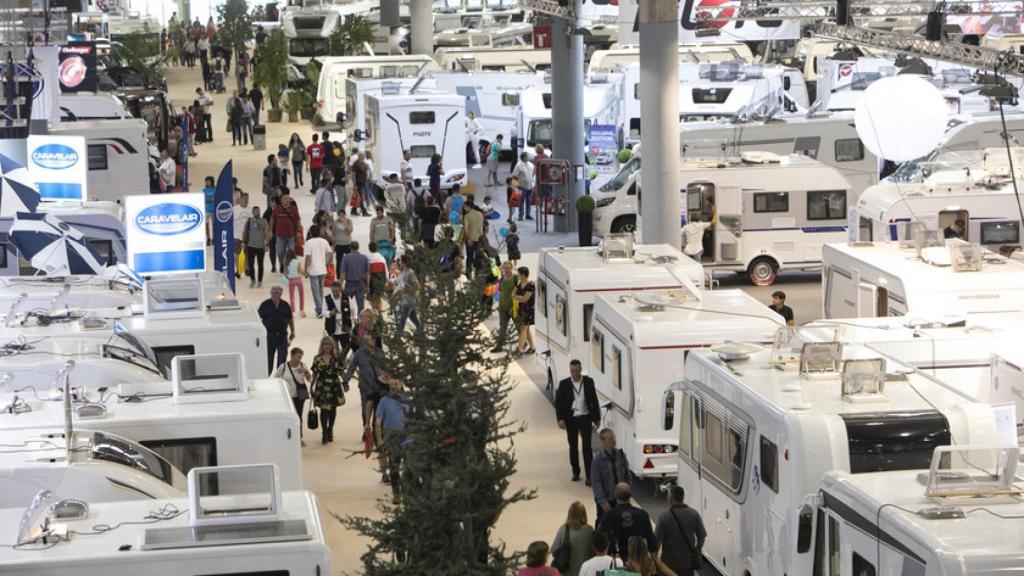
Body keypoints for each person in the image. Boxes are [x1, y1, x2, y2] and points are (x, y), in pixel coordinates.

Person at [556, 359, 601, 484]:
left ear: (581, 370)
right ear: (570, 371)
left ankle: (589, 476)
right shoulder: (564, 384)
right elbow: (558, 403)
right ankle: (576, 471)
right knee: (573, 446)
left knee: (587, 447)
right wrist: (560, 419)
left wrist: (597, 417)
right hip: (571, 420)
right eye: (572, 371)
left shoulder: (588, 382)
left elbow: (594, 400)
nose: (575, 373)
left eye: (577, 371)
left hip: (585, 418)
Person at [655, 485, 706, 576]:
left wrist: (655, 559)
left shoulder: (664, 517)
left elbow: (657, 541)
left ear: (670, 498)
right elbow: (701, 536)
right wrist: (697, 549)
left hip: (669, 563)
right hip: (688, 563)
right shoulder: (694, 514)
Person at [597, 483, 656, 559]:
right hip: (638, 558)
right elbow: (651, 540)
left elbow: (600, 536)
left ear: (616, 496)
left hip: (617, 559)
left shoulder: (609, 515)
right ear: (630, 496)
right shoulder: (643, 514)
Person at [375, 375, 408, 493]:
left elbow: (416, 417)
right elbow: (378, 422)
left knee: (409, 466)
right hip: (392, 441)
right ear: (388, 383)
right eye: (392, 381)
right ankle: (396, 493)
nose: (394, 382)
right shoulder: (383, 401)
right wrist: (379, 440)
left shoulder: (409, 399)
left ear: (402, 383)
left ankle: (406, 489)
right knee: (394, 467)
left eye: (397, 380)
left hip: (408, 439)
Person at [343, 335, 384, 429]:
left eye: (367, 340)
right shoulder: (358, 353)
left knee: (378, 409)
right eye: (364, 340)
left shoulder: (380, 353)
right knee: (365, 410)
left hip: (379, 386)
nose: (365, 342)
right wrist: (346, 381)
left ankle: (375, 430)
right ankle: (366, 428)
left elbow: (385, 368)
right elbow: (351, 368)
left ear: (374, 341)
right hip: (365, 386)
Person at [273, 347, 311, 445]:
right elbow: (275, 380)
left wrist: (306, 372)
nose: (299, 359)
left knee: (299, 416)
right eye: (297, 357)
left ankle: (299, 437)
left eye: (300, 357)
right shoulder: (283, 367)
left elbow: (310, 379)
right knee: (288, 417)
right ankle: (287, 436)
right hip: (287, 396)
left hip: (299, 396)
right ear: (292, 355)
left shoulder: (303, 365)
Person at [311, 336, 345, 444]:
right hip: (322, 386)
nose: (327, 347)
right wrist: (311, 386)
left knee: (333, 410)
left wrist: (346, 383)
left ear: (332, 346)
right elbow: (315, 373)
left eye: (329, 345)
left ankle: (330, 429)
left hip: (334, 385)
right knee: (324, 410)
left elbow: (341, 372)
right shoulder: (317, 358)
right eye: (325, 344)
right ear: (322, 346)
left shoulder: (337, 358)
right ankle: (324, 432)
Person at [591, 429, 630, 524]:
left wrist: (628, 493)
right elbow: (596, 484)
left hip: (621, 500)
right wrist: (603, 503)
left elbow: (627, 475)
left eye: (614, 438)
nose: (613, 440)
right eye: (610, 439)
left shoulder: (621, 455)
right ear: (603, 441)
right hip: (607, 501)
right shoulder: (597, 461)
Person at [551, 501, 595, 576]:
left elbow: (554, 550)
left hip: (567, 572)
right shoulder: (590, 530)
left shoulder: (563, 529)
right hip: (585, 572)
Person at [258, 285, 295, 373]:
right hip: (269, 336)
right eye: (272, 293)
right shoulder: (265, 304)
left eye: (276, 293)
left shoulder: (285, 305)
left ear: (280, 294)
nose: (274, 295)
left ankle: (280, 376)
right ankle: (267, 375)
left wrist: (293, 331)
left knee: (282, 359)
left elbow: (290, 318)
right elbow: (258, 318)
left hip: (282, 336)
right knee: (268, 358)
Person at [490, 262, 518, 353]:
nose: (506, 270)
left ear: (512, 268)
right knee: (502, 327)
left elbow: (519, 292)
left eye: (508, 268)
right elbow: (501, 291)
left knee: (519, 327)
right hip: (503, 307)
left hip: (513, 308)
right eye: (505, 268)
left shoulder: (515, 279)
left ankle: (523, 344)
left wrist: (514, 307)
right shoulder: (502, 279)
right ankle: (499, 346)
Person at [338, 240, 370, 314]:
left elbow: (342, 273)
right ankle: (360, 323)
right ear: (358, 247)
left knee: (345, 305)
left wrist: (340, 284)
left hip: (349, 284)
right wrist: (367, 286)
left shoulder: (346, 258)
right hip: (360, 284)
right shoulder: (364, 258)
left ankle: (347, 321)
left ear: (350, 247)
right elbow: (367, 273)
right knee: (361, 307)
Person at [391, 254, 420, 332]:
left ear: (404, 263)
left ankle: (397, 337)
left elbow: (417, 286)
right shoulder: (404, 272)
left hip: (409, 300)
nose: (399, 263)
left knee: (402, 319)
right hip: (405, 299)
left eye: (400, 261)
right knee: (413, 318)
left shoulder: (410, 273)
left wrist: (406, 290)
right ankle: (422, 332)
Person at [273, 192, 301, 268]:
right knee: (280, 252)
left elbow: (298, 220)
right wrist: (270, 231)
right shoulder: (277, 209)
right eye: (285, 199)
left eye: (288, 198)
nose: (287, 200)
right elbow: (272, 220)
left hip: (291, 235)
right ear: (281, 200)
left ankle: (290, 266)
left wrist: (298, 231)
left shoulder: (293, 208)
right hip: (280, 235)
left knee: (291, 252)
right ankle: (282, 263)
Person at [244, 205, 268, 287]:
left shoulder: (264, 221)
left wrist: (266, 244)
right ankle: (253, 280)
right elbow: (245, 231)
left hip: (260, 246)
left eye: (258, 211)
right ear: (252, 212)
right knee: (251, 264)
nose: (257, 212)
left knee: (260, 264)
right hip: (251, 246)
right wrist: (245, 242)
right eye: (255, 211)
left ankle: (260, 281)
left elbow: (266, 233)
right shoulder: (250, 220)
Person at [513, 266, 535, 355]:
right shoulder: (519, 283)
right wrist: (519, 298)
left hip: (529, 310)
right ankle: (532, 347)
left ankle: (520, 349)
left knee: (523, 328)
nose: (517, 275)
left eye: (518, 274)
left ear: (523, 275)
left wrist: (517, 297)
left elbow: (526, 299)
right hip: (521, 309)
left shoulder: (531, 284)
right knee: (526, 329)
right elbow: (512, 294)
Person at [324, 282, 352, 351]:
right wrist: (330, 313)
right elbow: (323, 312)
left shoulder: (346, 297)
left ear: (340, 290)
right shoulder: (327, 299)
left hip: (344, 328)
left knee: (346, 348)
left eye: (337, 291)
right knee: (334, 349)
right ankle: (337, 360)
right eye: (333, 291)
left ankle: (342, 360)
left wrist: (354, 318)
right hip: (332, 328)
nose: (335, 293)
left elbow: (353, 308)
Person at [283, 249, 306, 317]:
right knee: (301, 295)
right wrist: (305, 275)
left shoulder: (286, 262)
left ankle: (292, 310)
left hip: (291, 280)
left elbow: (285, 273)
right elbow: (300, 270)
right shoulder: (297, 261)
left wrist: (287, 278)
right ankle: (301, 310)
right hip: (298, 279)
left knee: (292, 296)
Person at [233, 193, 251, 278]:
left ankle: (247, 268)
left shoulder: (250, 210)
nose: (246, 200)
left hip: (248, 236)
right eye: (244, 198)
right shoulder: (234, 209)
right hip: (236, 235)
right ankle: (238, 270)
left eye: (247, 199)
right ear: (240, 199)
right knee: (237, 253)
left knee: (247, 253)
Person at [463, 200, 485, 270]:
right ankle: (478, 273)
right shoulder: (480, 214)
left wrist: (468, 239)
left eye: (465, 207)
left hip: (470, 239)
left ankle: (468, 273)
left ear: (469, 207)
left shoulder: (467, 216)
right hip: (480, 238)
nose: (464, 208)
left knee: (469, 257)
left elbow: (466, 228)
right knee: (478, 256)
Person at [367, 241, 389, 311]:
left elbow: (367, 273)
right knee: (379, 299)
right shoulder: (382, 258)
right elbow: (386, 272)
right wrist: (386, 282)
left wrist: (366, 285)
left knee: (373, 300)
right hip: (381, 282)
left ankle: (375, 316)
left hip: (372, 283)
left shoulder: (367, 258)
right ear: (377, 248)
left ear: (369, 248)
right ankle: (380, 315)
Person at [513, 152, 535, 221]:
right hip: (521, 186)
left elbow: (533, 174)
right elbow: (514, 176)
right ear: (523, 158)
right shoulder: (518, 165)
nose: (528, 158)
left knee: (529, 201)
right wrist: (514, 187)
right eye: (527, 157)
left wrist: (533, 183)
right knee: (521, 201)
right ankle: (520, 215)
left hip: (530, 186)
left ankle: (528, 214)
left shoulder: (531, 164)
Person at [351, 152, 372, 216]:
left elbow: (366, 170)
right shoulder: (356, 164)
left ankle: (353, 210)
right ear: (359, 156)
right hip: (358, 182)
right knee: (361, 197)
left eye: (364, 156)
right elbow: (353, 174)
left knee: (359, 197)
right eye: (363, 156)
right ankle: (364, 211)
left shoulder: (363, 163)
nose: (364, 157)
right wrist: (354, 184)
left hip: (363, 182)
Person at [202, 176, 216, 244]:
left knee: (214, 224)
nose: (207, 182)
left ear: (212, 182)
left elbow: (216, 198)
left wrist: (208, 200)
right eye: (206, 181)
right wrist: (210, 200)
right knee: (206, 224)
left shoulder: (215, 189)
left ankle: (214, 238)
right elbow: (202, 198)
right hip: (206, 209)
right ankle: (208, 238)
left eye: (209, 181)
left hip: (213, 209)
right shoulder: (204, 190)